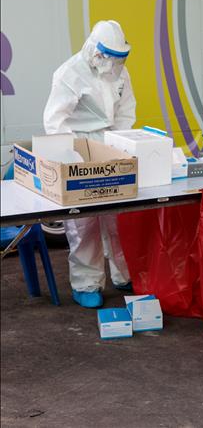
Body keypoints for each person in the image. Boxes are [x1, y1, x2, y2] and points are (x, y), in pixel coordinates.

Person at [43, 20, 136, 308]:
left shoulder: (120, 70)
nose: (114, 63)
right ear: (96, 51)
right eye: (110, 57)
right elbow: (55, 122)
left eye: (119, 58)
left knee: (119, 219)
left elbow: (126, 109)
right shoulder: (69, 73)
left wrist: (121, 143)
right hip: (77, 148)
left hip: (110, 144)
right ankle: (86, 283)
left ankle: (125, 275)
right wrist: (73, 159)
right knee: (84, 225)